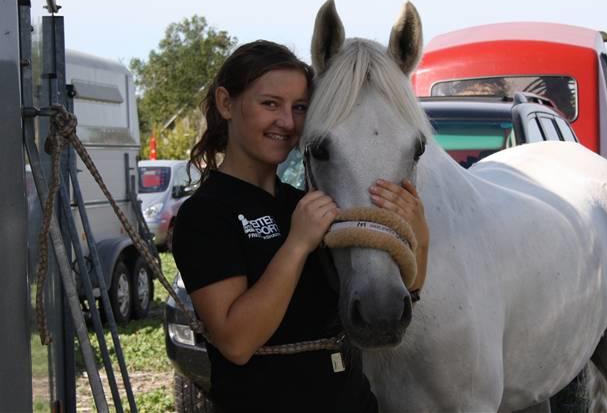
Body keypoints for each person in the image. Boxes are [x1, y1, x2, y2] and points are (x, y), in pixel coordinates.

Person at [171, 40, 429, 413]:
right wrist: (296, 245)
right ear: (226, 103)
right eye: (270, 104)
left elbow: (404, 295)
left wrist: (419, 234)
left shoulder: (305, 202)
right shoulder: (205, 214)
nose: (288, 122)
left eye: (300, 108)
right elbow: (236, 341)